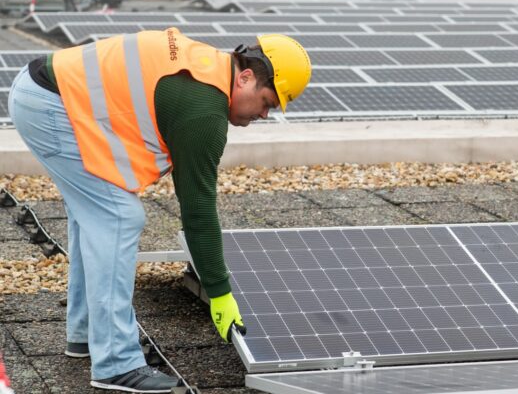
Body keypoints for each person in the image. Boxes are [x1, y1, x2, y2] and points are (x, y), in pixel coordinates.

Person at [8, 28, 311, 392]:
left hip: (45, 93)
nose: (264, 114)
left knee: (95, 213)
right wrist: (219, 291)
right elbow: (197, 209)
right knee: (119, 216)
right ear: (245, 77)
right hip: (52, 105)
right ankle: (116, 364)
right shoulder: (204, 111)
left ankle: (87, 333)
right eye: (267, 102)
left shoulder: (206, 68)